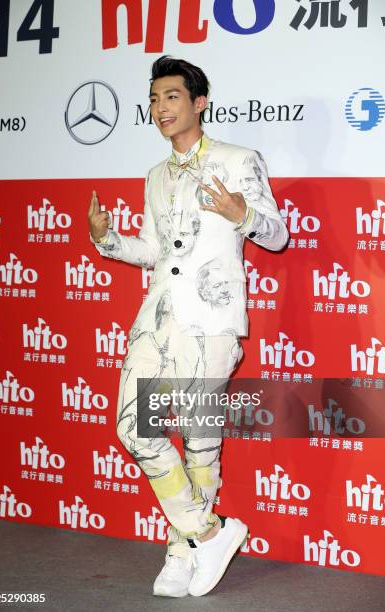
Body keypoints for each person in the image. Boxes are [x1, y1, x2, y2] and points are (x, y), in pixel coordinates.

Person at [88, 55, 288, 598]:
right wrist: (106, 239)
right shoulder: (155, 175)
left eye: (171, 97)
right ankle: (208, 532)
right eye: (154, 99)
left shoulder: (238, 159)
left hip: (211, 325)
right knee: (136, 429)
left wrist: (239, 212)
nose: (160, 108)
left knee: (201, 443)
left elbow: (275, 234)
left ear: (199, 102)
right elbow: (152, 249)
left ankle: (181, 553)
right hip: (156, 322)